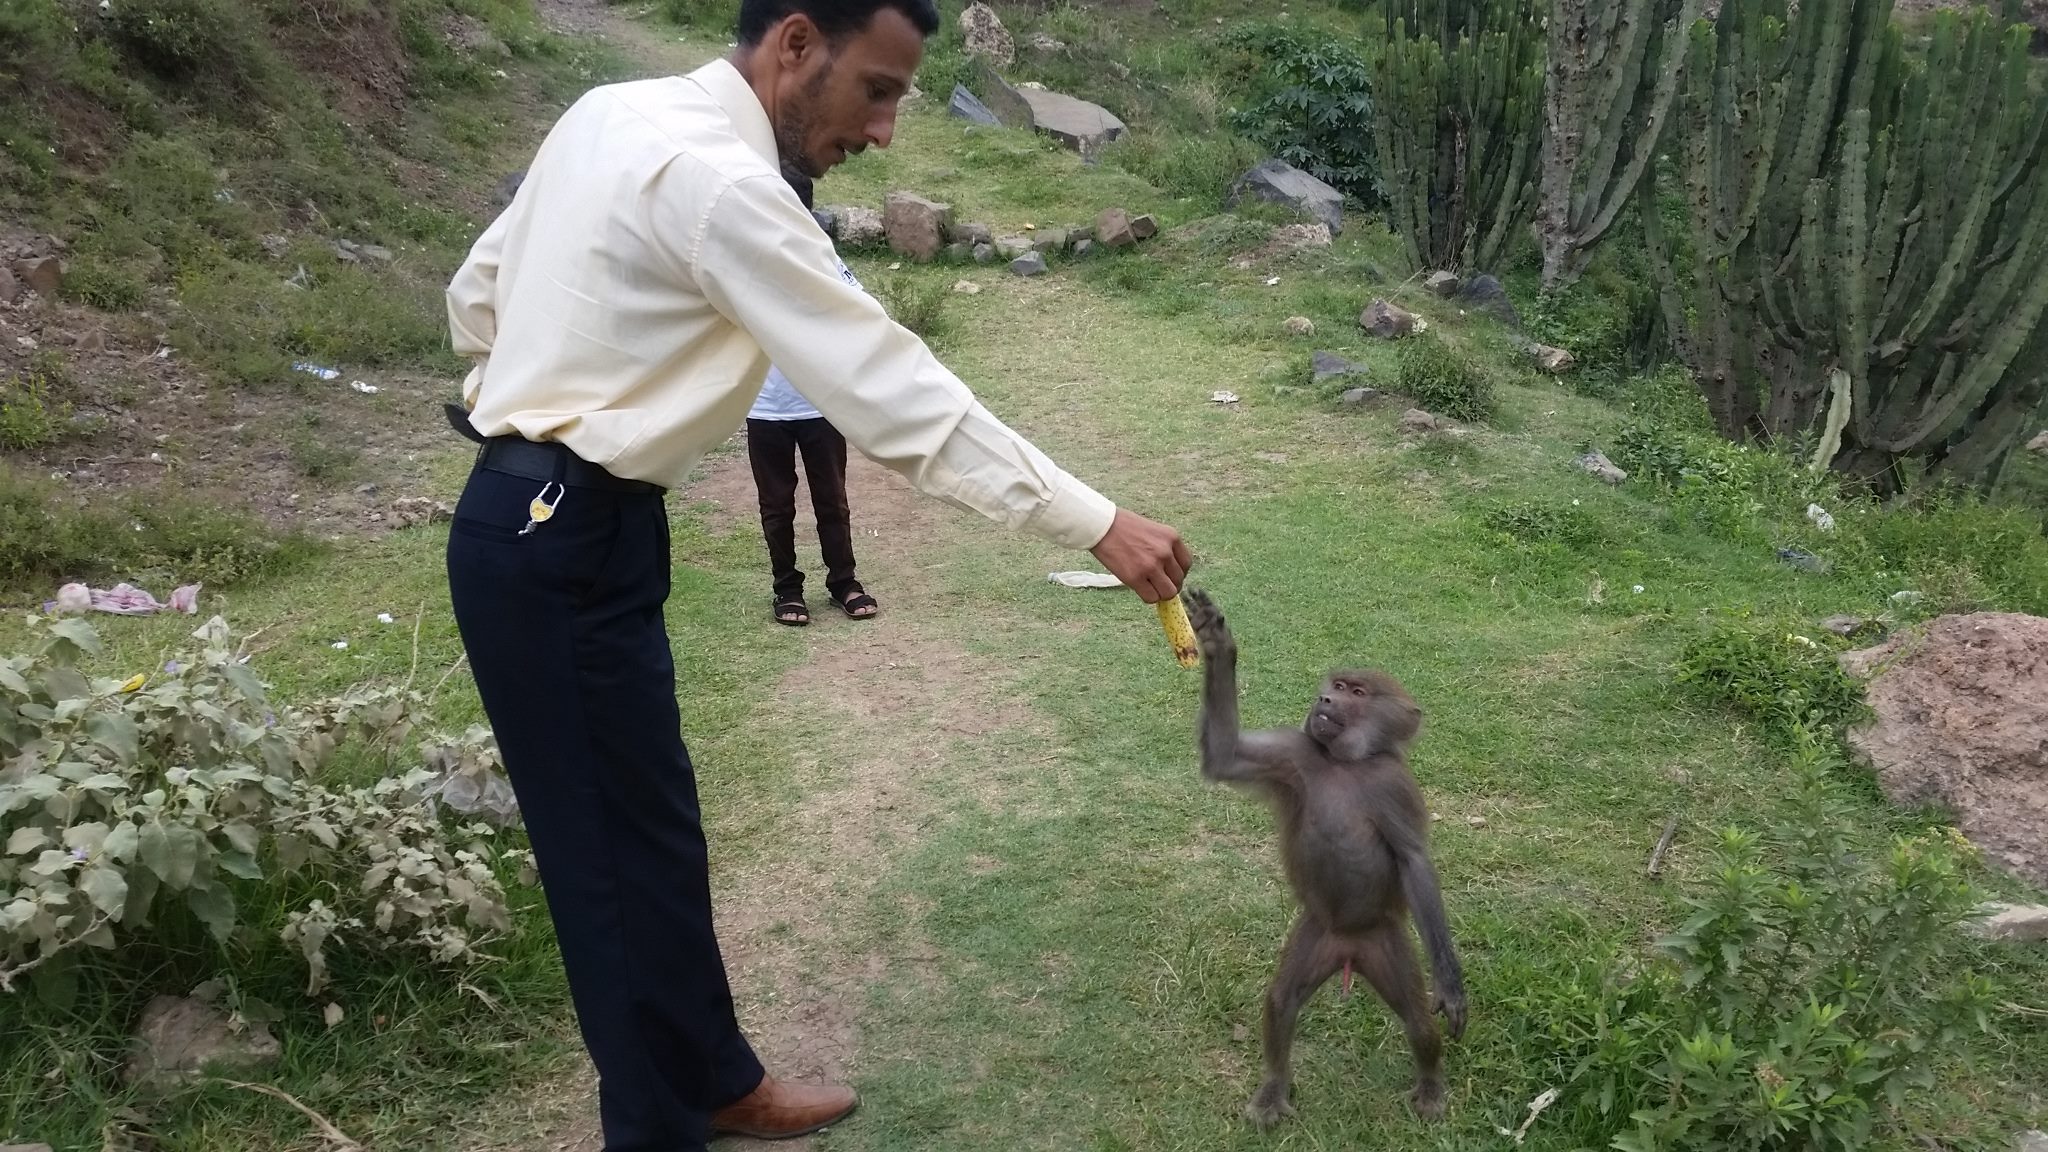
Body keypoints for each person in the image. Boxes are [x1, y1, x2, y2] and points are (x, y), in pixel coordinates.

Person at [438, 1, 1192, 1148]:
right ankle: (659, 1128)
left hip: (552, 514)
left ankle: (716, 1079)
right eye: (877, 90)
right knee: (605, 866)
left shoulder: (610, 111)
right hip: (558, 526)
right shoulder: (724, 184)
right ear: (795, 44)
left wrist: (527, 395)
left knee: (654, 833)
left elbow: (478, 286)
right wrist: (1094, 522)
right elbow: (888, 385)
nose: (883, 132)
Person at [746, 168, 874, 626]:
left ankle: (844, 582)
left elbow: (860, 309)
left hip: (819, 402)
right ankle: (786, 589)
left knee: (832, 498)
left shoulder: (822, 257)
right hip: (763, 407)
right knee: (776, 505)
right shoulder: (742, 258)